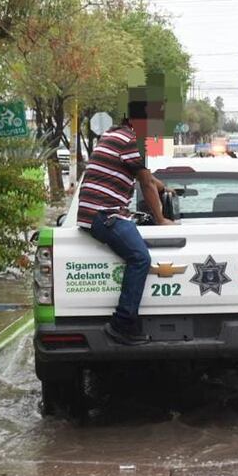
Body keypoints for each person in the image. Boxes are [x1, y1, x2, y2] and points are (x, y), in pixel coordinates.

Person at [76, 118, 173, 346]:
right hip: (105, 215)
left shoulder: (114, 136)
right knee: (140, 258)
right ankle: (122, 323)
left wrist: (164, 188)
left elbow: (147, 178)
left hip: (95, 214)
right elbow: (145, 184)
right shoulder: (131, 141)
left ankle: (125, 320)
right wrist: (161, 220)